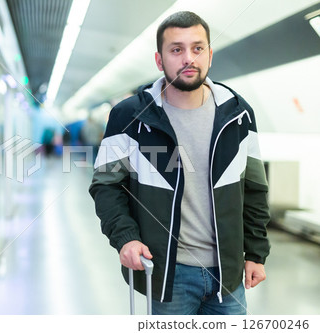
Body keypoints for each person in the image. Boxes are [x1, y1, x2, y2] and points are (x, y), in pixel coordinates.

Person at [89, 11, 270, 315]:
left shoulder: (238, 114)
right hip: (168, 275)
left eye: (197, 48)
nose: (189, 58)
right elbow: (106, 186)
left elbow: (254, 190)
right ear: (159, 61)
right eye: (177, 49)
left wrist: (256, 253)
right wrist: (125, 239)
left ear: (209, 55)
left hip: (228, 275)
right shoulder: (130, 116)